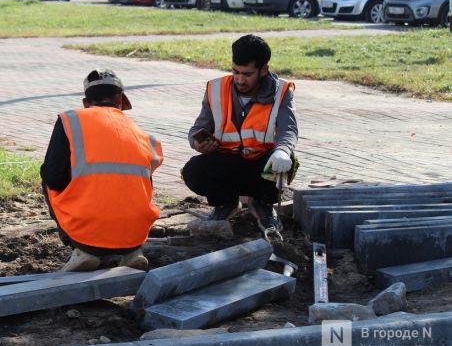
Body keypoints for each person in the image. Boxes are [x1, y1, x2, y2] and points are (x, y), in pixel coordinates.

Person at [41, 69, 163, 272]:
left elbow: (54, 178)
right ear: (121, 100)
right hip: (135, 235)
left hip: (86, 236)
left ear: (85, 103)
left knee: (46, 177)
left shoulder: (70, 121)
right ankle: (131, 253)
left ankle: (83, 252)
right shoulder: (142, 133)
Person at [181, 34, 298, 239]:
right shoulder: (216, 88)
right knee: (193, 170)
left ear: (263, 70)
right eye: (235, 71)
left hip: (261, 165)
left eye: (247, 74)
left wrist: (282, 151)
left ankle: (262, 204)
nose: (240, 79)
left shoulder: (281, 91)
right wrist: (197, 142)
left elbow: (289, 129)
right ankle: (226, 203)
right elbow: (198, 127)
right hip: (229, 162)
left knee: (285, 162)